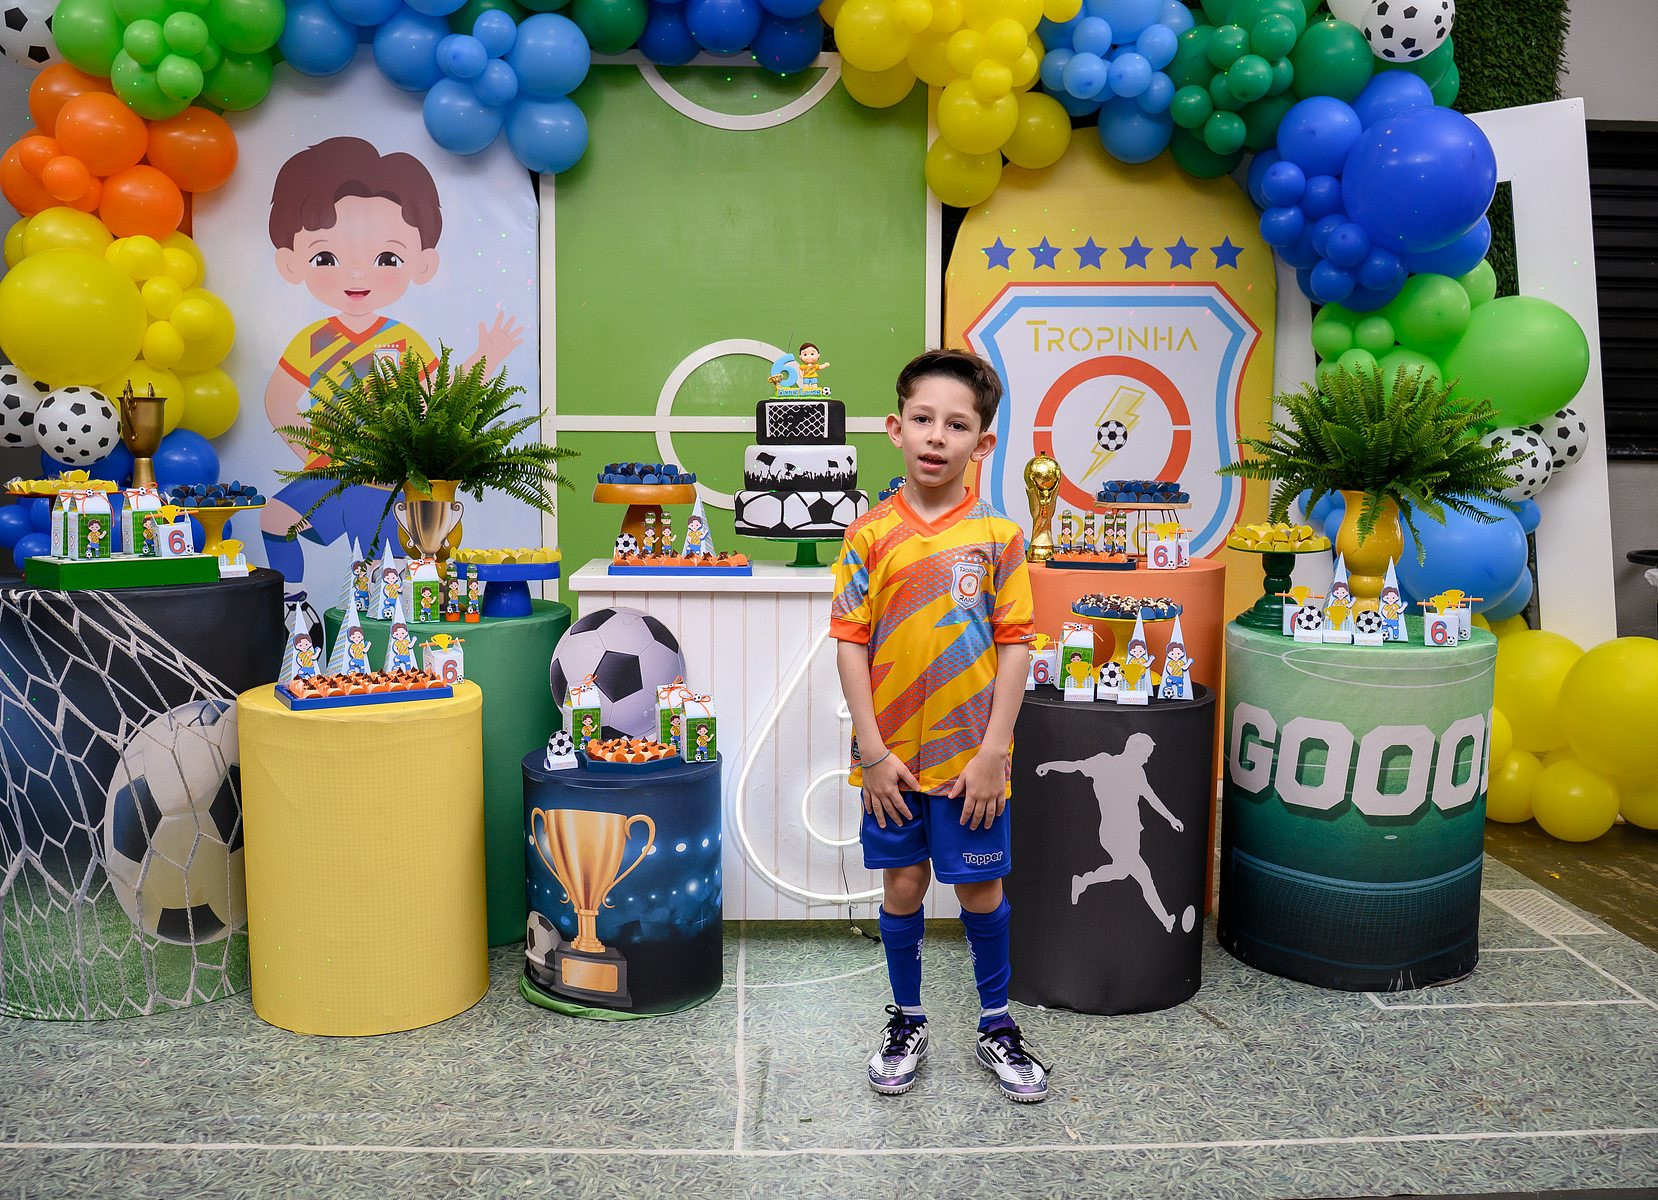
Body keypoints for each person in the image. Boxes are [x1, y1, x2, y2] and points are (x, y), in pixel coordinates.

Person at [831, 348, 1044, 1103]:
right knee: (903, 883)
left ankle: (997, 1023)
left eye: (956, 425)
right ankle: (907, 1019)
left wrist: (994, 753)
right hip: (889, 760)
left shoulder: (999, 535)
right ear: (896, 428)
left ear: (982, 443)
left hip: (971, 763)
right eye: (922, 419)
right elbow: (850, 643)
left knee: (981, 891)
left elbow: (1016, 645)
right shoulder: (866, 535)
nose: (935, 436)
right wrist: (871, 751)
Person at [262, 137, 523, 583]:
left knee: (380, 566)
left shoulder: (405, 341)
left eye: (386, 258)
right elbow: (278, 401)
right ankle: (290, 603)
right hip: (330, 474)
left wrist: (485, 357)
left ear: (422, 263)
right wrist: (314, 451)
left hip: (382, 480)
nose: (356, 274)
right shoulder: (312, 340)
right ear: (291, 262)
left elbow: (440, 402)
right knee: (275, 518)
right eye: (326, 257)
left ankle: (383, 614)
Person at [1038, 733, 1185, 931]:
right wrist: (1048, 765)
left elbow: (1151, 798)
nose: (1146, 759)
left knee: (1123, 872)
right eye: (1145, 754)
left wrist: (1171, 818)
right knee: (1143, 875)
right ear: (1134, 749)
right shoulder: (1104, 763)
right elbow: (1075, 766)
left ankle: (1083, 881)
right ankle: (1166, 920)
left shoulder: (1138, 772)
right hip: (1114, 832)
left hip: (1132, 831)